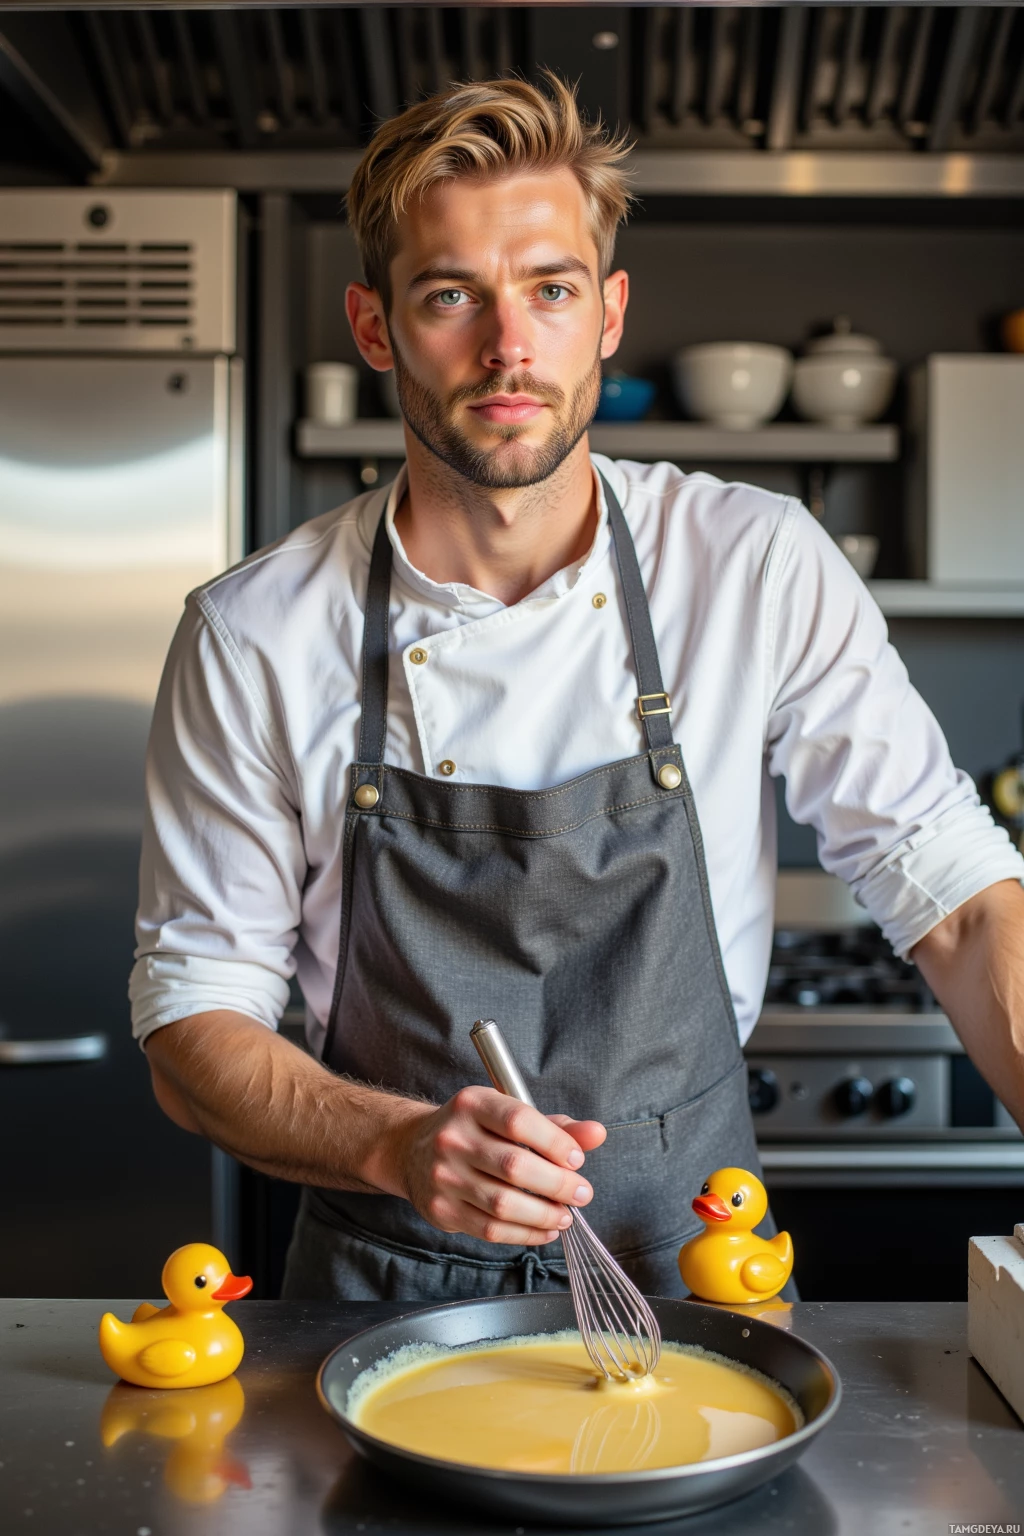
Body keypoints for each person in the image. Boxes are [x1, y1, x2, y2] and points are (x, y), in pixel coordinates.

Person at [133, 75, 1024, 1302]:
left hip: (699, 1272)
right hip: (376, 1291)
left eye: (549, 290)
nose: (509, 347)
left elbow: (962, 903)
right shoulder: (254, 634)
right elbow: (194, 1032)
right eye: (453, 295)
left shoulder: (750, 561)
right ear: (377, 326)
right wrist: (394, 1144)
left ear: (606, 313)